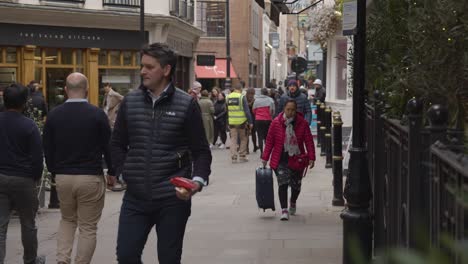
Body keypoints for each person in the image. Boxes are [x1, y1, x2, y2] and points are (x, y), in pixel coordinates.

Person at [110, 43, 212, 264]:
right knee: (126, 256)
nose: (142, 71)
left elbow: (201, 151)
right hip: (135, 198)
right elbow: (116, 144)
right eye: (142, 66)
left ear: (166, 70)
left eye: (149, 66)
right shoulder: (130, 101)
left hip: (172, 198)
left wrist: (196, 182)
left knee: (169, 259)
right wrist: (123, 172)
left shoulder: (186, 104)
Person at [42, 73, 114, 264]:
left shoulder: (54, 115)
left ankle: (62, 259)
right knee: (88, 227)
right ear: (87, 89)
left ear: (65, 90)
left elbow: (47, 147)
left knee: (67, 220)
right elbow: (108, 146)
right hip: (90, 176)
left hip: (64, 176)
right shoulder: (97, 114)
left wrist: (54, 170)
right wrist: (113, 172)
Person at [0, 83, 45, 264]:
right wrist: (34, 177)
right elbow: (37, 157)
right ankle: (30, 260)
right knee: (28, 224)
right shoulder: (29, 126)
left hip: (0, 177)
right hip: (24, 179)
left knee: (1, 226)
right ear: (25, 103)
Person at [261, 99, 316, 221]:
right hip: (280, 159)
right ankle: (284, 210)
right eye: (288, 109)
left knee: (296, 186)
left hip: (297, 159)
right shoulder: (276, 123)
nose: (290, 112)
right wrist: (265, 157)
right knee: (283, 184)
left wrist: (312, 157)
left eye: (292, 110)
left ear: (296, 111)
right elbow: (269, 141)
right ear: (284, 109)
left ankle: (293, 201)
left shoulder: (302, 123)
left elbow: (309, 141)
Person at [226, 83, 253, 163]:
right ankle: (242, 156)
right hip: (241, 122)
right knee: (243, 138)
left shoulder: (228, 97)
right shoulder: (241, 97)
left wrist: (227, 121)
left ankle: (233, 157)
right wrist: (250, 122)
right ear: (240, 89)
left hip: (232, 122)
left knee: (233, 139)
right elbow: (247, 111)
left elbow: (227, 110)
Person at [253, 88, 275, 156]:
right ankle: (266, 151)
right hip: (267, 120)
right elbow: (272, 110)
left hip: (258, 120)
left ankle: (261, 153)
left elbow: (253, 110)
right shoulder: (270, 100)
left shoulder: (256, 100)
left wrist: (257, 115)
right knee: (267, 136)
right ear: (267, 93)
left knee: (259, 136)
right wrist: (271, 116)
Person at [245, 87, 258, 153]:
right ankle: (255, 147)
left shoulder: (244, 99)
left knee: (246, 134)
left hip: (246, 117)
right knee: (253, 133)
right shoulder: (254, 100)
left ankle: (247, 149)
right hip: (253, 117)